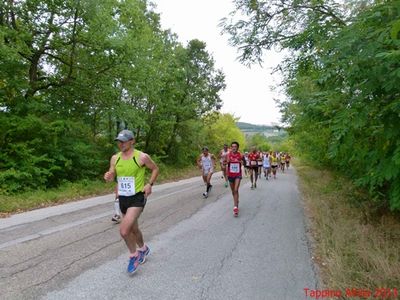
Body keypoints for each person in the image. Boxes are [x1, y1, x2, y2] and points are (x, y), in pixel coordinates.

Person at [104, 129, 159, 275]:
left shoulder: (141, 157)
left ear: (132, 141)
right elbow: (112, 173)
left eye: (123, 141)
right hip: (123, 198)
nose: (120, 144)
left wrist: (149, 184)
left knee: (124, 230)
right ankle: (143, 248)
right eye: (119, 141)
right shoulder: (115, 158)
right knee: (134, 229)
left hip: (137, 197)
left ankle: (133, 256)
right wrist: (109, 176)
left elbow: (154, 169)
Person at [226, 141, 243, 217]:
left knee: (236, 190)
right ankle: (236, 201)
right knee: (233, 191)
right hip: (230, 174)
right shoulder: (228, 155)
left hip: (238, 174)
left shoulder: (240, 155)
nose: (234, 148)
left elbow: (243, 162)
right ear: (231, 147)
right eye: (232, 146)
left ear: (237, 148)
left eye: (235, 146)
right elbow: (225, 163)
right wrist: (227, 162)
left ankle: (235, 207)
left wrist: (241, 162)